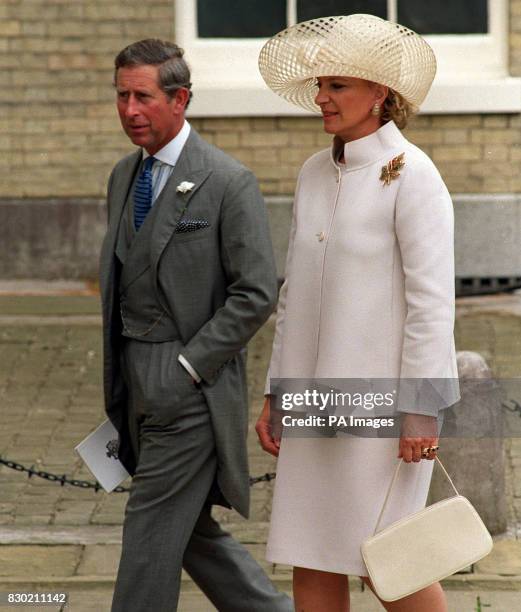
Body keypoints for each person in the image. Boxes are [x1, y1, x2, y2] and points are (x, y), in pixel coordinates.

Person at [256, 14, 459, 612]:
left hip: (386, 407)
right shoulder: (314, 173)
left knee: (389, 561)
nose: (321, 97)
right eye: (320, 85)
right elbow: (293, 296)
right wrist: (276, 393)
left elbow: (432, 304)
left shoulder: (414, 176)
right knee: (312, 552)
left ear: (382, 94)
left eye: (338, 85)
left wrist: (421, 409)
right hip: (315, 399)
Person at [99, 38, 293, 612]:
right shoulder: (121, 176)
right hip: (132, 386)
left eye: (143, 97)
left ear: (180, 99)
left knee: (148, 536)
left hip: (190, 389)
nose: (130, 110)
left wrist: (187, 366)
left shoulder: (228, 181)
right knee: (189, 535)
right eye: (121, 96)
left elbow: (256, 292)